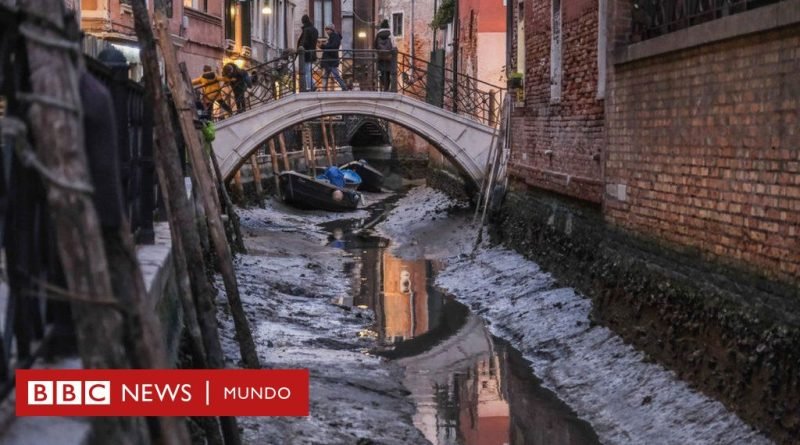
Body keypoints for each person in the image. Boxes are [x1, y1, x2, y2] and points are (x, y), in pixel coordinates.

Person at [320, 24, 348, 91]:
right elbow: (331, 46)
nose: (326, 31)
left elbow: (333, 46)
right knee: (326, 75)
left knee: (335, 75)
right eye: (326, 30)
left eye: (327, 30)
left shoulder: (334, 37)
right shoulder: (332, 37)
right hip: (329, 60)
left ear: (331, 30)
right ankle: (324, 89)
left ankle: (344, 87)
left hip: (331, 60)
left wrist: (324, 46)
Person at [297, 14, 319, 91]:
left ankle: (311, 86)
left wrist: (299, 50)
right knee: (308, 70)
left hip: (305, 53)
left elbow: (304, 42)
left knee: (306, 71)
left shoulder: (307, 30)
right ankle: (312, 85)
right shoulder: (315, 30)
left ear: (303, 21)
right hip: (312, 52)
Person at [374, 19, 394, 92]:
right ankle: (386, 89)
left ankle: (382, 85)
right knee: (388, 74)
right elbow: (393, 46)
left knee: (382, 73)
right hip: (388, 58)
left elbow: (375, 46)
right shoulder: (390, 36)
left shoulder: (378, 36)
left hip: (381, 58)